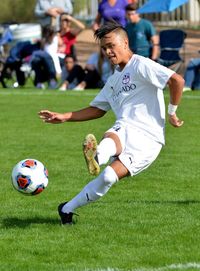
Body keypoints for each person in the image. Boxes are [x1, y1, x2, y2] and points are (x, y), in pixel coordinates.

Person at [39, 21, 184, 225]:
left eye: (111, 46)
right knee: (119, 128)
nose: (108, 52)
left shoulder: (141, 64)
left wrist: (172, 112)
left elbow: (176, 80)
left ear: (125, 43)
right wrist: (64, 116)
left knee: (108, 177)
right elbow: (98, 109)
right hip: (125, 127)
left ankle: (67, 206)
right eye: (104, 48)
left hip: (150, 140)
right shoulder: (113, 80)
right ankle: (98, 156)